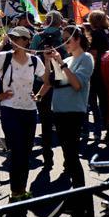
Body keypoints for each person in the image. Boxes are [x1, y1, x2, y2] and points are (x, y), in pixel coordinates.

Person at [0, 26, 48, 202]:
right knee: (17, 150)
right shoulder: (5, 57)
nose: (14, 42)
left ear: (27, 41)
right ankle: (15, 191)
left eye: (18, 39)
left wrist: (39, 95)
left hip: (30, 111)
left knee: (25, 153)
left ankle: (21, 190)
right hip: (10, 110)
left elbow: (48, 81)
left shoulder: (34, 60)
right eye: (12, 38)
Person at [47, 26, 92, 185]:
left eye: (68, 39)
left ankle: (81, 197)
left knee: (72, 157)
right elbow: (53, 82)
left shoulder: (86, 58)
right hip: (59, 113)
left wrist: (61, 63)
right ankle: (77, 196)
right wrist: (50, 61)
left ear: (78, 39)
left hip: (73, 114)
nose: (64, 43)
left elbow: (77, 84)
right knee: (68, 156)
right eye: (63, 39)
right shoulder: (67, 59)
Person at [30, 11, 66, 167]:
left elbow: (32, 55)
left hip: (41, 80)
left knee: (45, 121)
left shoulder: (38, 37)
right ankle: (67, 160)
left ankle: (47, 157)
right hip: (61, 80)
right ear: (59, 22)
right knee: (63, 122)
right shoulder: (64, 36)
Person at [87, 11, 109, 141]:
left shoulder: (96, 33)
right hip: (107, 68)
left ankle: (106, 130)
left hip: (97, 70)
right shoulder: (108, 31)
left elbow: (93, 53)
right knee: (106, 100)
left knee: (98, 101)